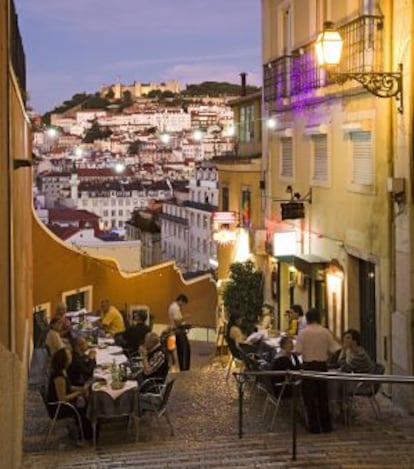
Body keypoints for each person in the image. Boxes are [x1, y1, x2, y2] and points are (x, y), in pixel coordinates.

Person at [295, 308, 340, 434]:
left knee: (309, 397)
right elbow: (334, 349)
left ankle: (314, 426)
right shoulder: (325, 332)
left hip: (308, 366)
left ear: (307, 319)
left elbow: (298, 350)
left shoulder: (303, 333)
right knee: (322, 396)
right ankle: (326, 425)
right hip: (322, 366)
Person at [47, 348, 93, 441]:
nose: (71, 357)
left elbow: (69, 387)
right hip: (59, 407)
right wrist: (79, 392)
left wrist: (82, 388)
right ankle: (85, 437)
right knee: (87, 408)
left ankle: (86, 433)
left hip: (63, 403)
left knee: (88, 402)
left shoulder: (63, 371)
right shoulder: (59, 376)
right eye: (69, 355)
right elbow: (62, 398)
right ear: (65, 360)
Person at [168, 294, 191, 371]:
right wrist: (185, 317)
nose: (183, 305)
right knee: (184, 351)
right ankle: (184, 369)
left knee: (183, 350)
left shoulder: (173, 307)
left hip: (178, 331)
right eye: (184, 303)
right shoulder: (175, 308)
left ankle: (184, 368)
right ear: (181, 300)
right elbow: (177, 322)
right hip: (179, 331)